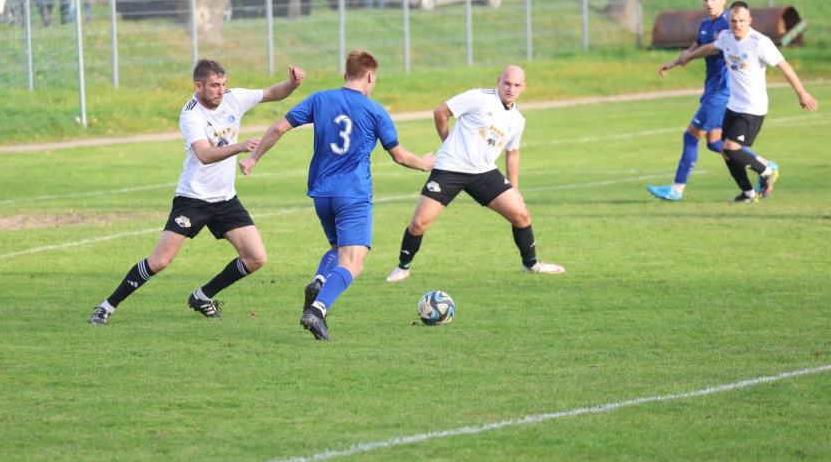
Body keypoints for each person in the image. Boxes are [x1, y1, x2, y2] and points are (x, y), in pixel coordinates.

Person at [91, 60, 306, 325]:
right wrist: (239, 147)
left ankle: (203, 296)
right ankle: (106, 307)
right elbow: (204, 155)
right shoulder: (191, 114)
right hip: (192, 199)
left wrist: (292, 84)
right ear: (198, 86)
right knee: (160, 261)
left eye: (223, 84)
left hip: (225, 199)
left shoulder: (233, 99)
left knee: (256, 258)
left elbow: (273, 93)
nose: (221, 90)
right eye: (215, 85)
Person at [239, 50, 435, 341]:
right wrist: (425, 163)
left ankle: (320, 279)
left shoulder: (320, 99)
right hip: (353, 194)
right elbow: (400, 156)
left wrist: (253, 158)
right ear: (371, 76)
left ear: (345, 75)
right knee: (353, 263)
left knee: (336, 248)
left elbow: (279, 128)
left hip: (322, 195)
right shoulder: (375, 110)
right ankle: (317, 310)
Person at [385, 65, 565, 283]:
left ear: (523, 87)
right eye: (507, 83)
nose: (511, 88)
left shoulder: (518, 119)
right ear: (499, 81)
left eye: (516, 85)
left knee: (521, 214)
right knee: (419, 224)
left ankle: (531, 264)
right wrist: (448, 140)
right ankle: (403, 267)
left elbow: (513, 153)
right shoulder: (478, 97)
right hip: (449, 168)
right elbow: (440, 112)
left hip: (484, 173)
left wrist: (514, 189)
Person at [667, 1, 819, 203]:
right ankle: (747, 193)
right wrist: (688, 56)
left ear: (749, 21)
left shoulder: (760, 42)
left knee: (731, 148)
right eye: (733, 21)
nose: (737, 25)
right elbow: (711, 48)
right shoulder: (726, 37)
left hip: (753, 109)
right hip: (733, 106)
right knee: (725, 151)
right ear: (728, 21)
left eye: (741, 21)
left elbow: (785, 67)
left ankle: (766, 171)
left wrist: (802, 93)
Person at [648, 0, 730, 201]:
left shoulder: (727, 23)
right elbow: (695, 47)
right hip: (711, 89)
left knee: (691, 135)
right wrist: (674, 62)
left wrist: (689, 57)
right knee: (715, 142)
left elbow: (712, 47)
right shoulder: (705, 23)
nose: (709, 3)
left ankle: (676, 189)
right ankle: (765, 168)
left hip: (722, 91)